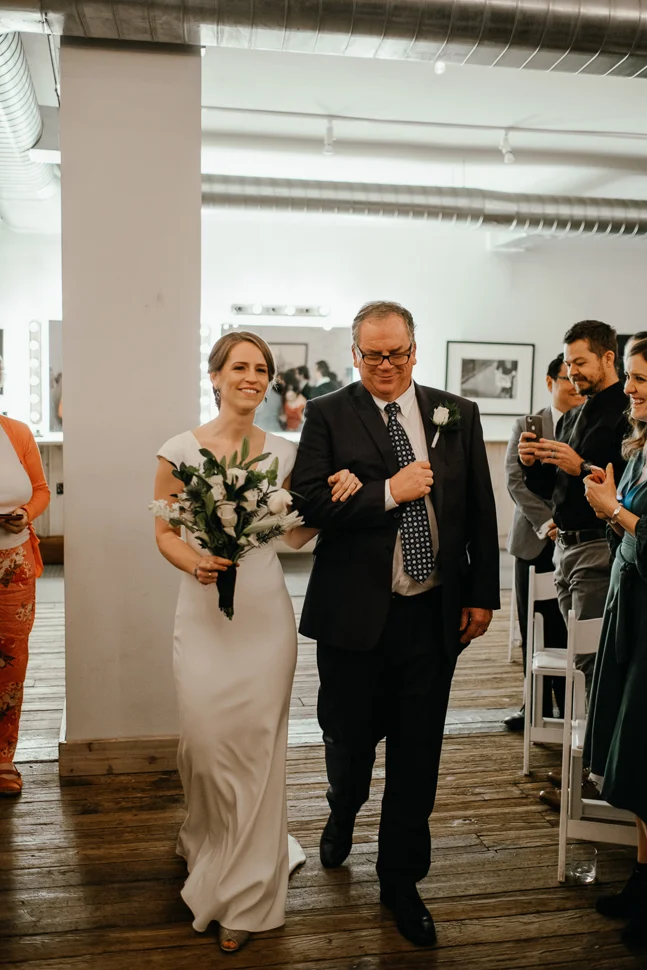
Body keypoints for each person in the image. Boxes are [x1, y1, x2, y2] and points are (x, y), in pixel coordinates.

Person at [291, 301, 499, 948]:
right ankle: (342, 808)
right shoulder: (328, 414)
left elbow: (479, 509)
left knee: (417, 758)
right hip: (353, 619)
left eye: (397, 353)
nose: (386, 366)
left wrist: (482, 595)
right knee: (348, 744)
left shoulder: (456, 413)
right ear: (355, 354)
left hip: (430, 616)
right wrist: (388, 492)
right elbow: (306, 503)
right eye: (373, 355)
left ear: (415, 350)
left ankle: (400, 883)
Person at [153, 331, 361, 953]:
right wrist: (196, 561)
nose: (252, 377)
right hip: (203, 614)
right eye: (240, 366)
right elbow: (164, 533)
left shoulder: (289, 453)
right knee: (206, 745)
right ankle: (209, 839)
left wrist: (335, 501)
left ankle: (248, 893)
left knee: (257, 751)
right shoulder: (178, 451)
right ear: (215, 376)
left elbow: (292, 536)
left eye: (262, 369)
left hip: (265, 617)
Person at [519, 320, 629, 811]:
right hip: (566, 549)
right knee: (583, 662)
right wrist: (532, 464)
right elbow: (550, 491)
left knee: (594, 662)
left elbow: (621, 484)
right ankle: (587, 768)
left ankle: (597, 777)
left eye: (580, 362)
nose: (572, 372)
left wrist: (579, 465)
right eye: (567, 364)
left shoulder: (627, 415)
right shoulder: (571, 416)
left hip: (601, 548)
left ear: (608, 358)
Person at [582, 336, 647, 947]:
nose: (629, 388)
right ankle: (643, 881)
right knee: (635, 760)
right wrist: (611, 503)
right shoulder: (640, 447)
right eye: (629, 377)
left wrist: (617, 511)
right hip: (629, 612)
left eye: (642, 379)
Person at [503, 354, 584, 731]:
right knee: (532, 625)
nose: (574, 385)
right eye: (567, 378)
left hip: (578, 541)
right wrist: (549, 521)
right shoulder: (527, 424)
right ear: (551, 382)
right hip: (535, 540)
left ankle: (568, 707)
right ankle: (532, 705)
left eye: (578, 378)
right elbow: (515, 481)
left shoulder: (590, 423)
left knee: (568, 626)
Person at [0, 358, 51, 796]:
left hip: (13, 563)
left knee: (11, 663)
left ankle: (2, 758)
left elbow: (40, 490)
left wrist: (25, 513)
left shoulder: (16, 432)